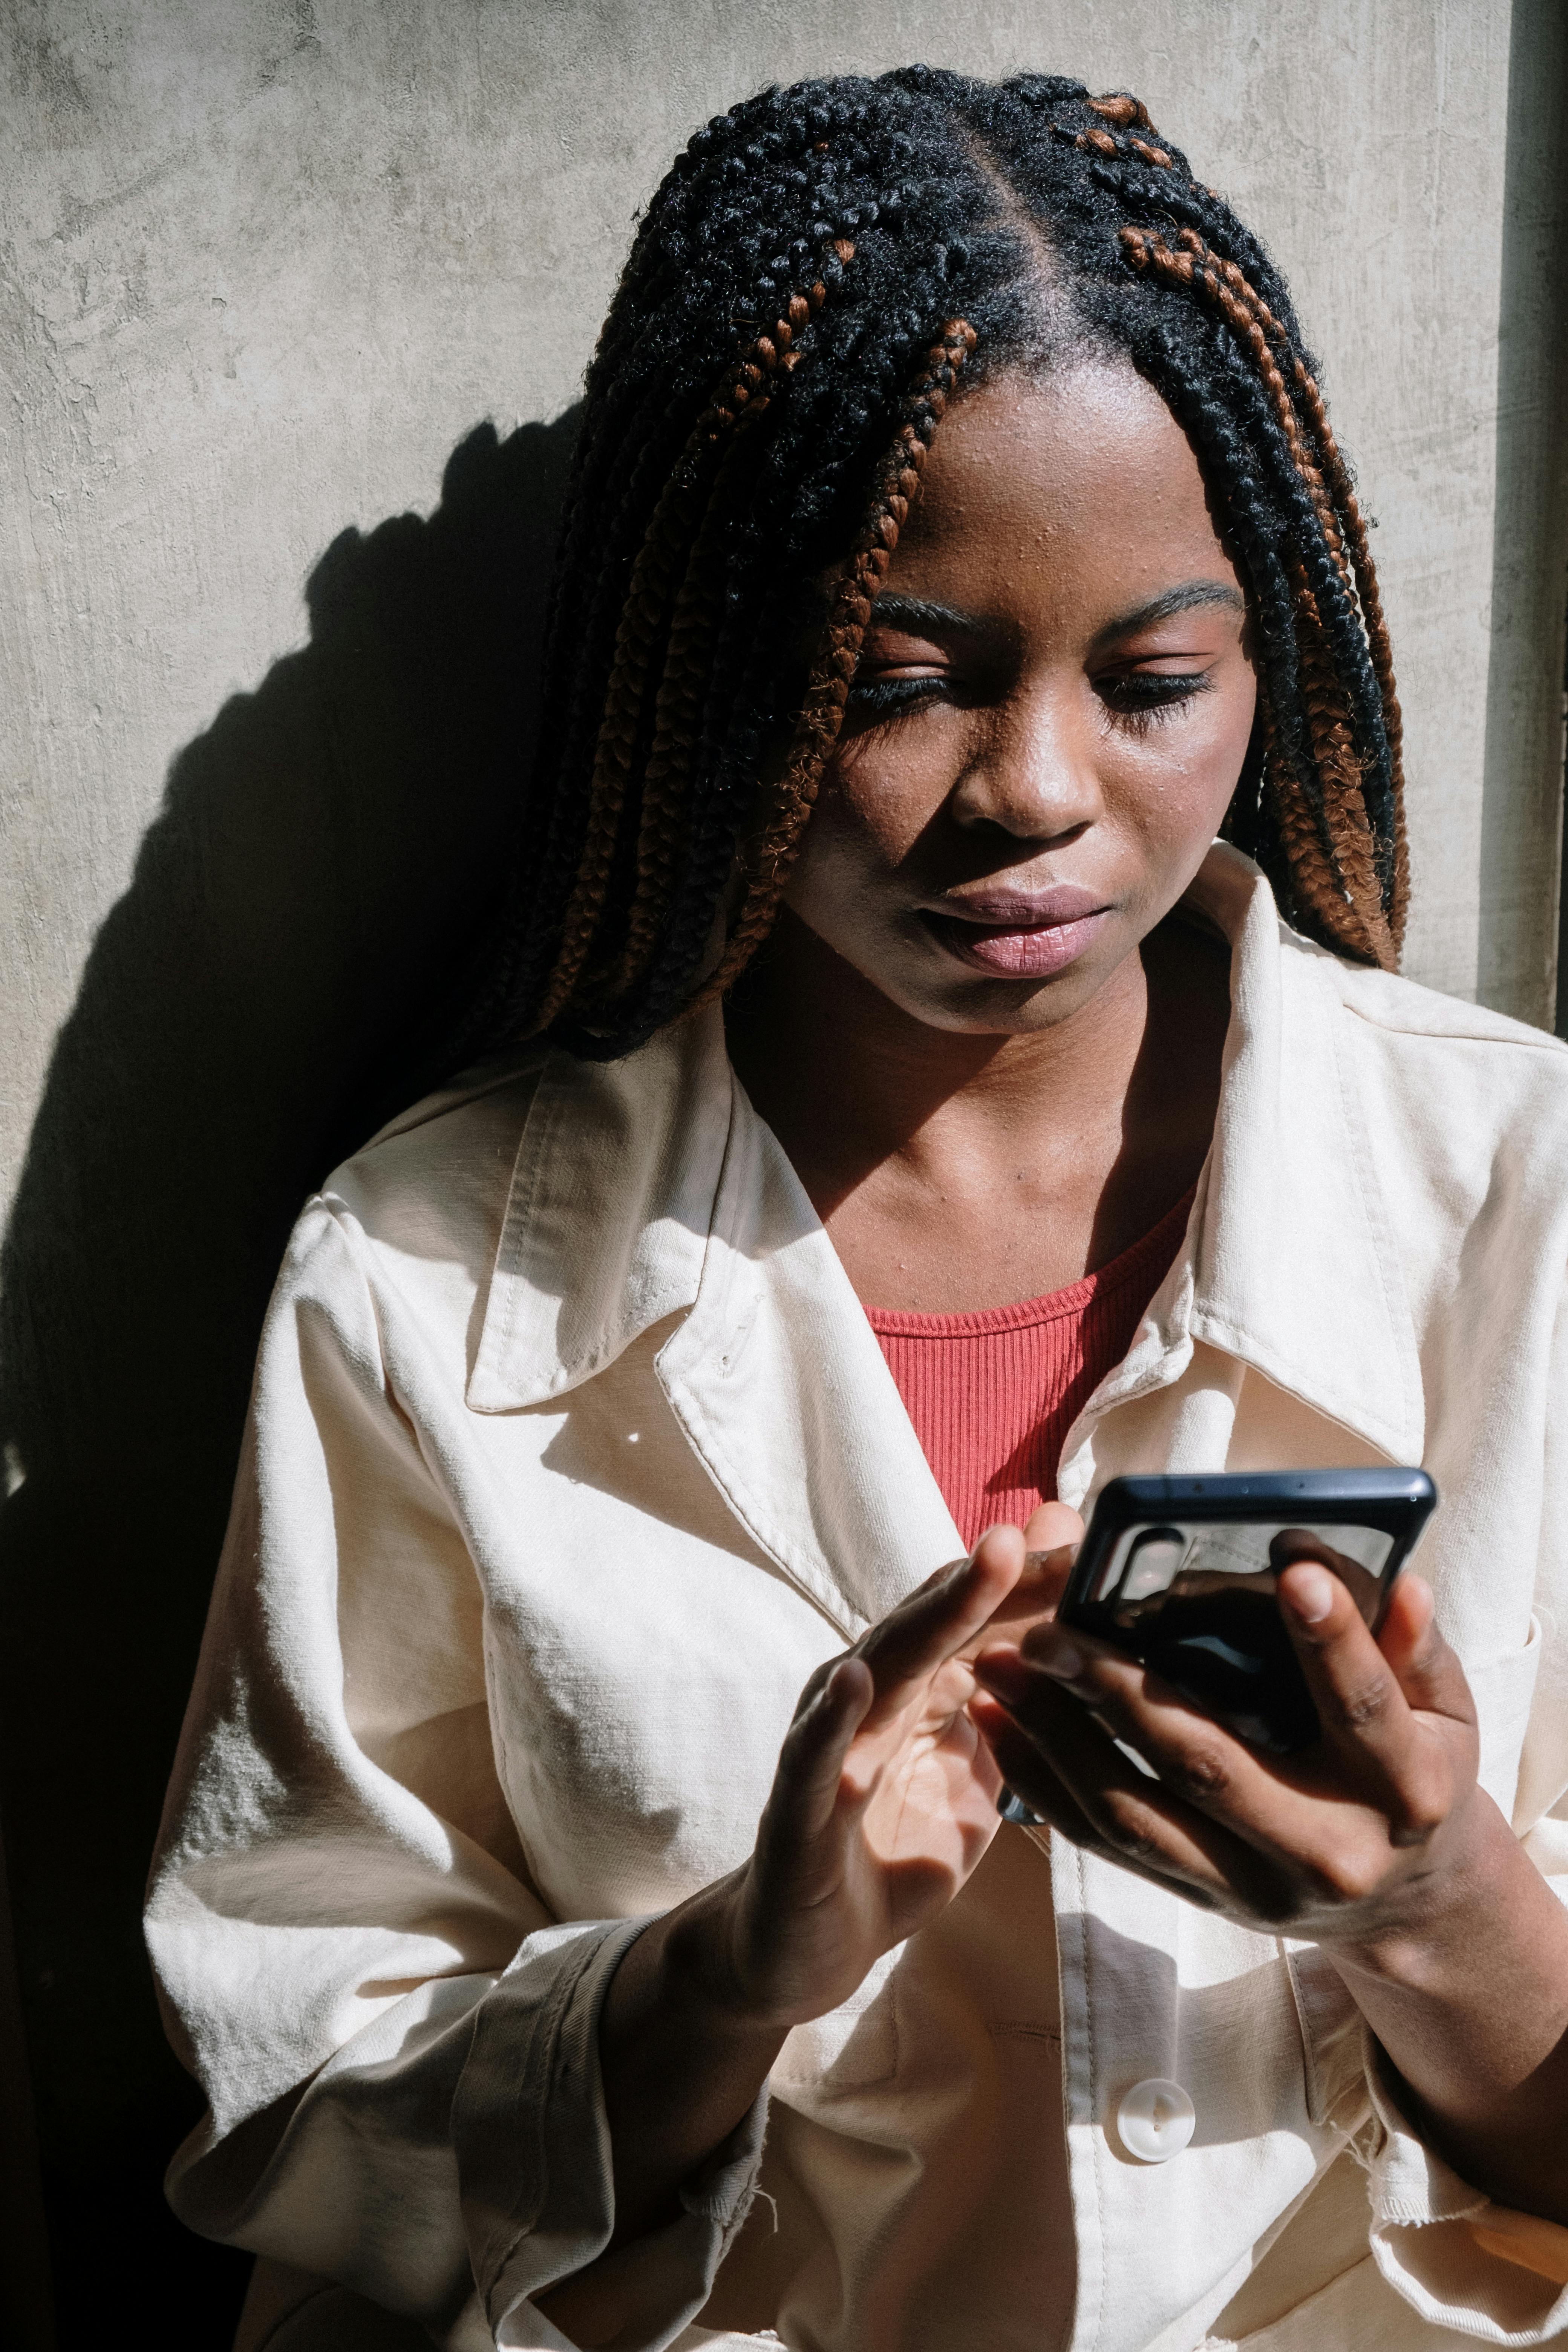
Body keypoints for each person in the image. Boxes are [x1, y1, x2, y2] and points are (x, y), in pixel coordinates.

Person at [146, 67, 1568, 2352]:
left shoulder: (1521, 1196)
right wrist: (727, 1976)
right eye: (904, 688)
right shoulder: (421, 1283)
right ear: (718, 688)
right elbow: (293, 2124)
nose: (1033, 791)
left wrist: (1441, 1903)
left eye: (1154, 680)